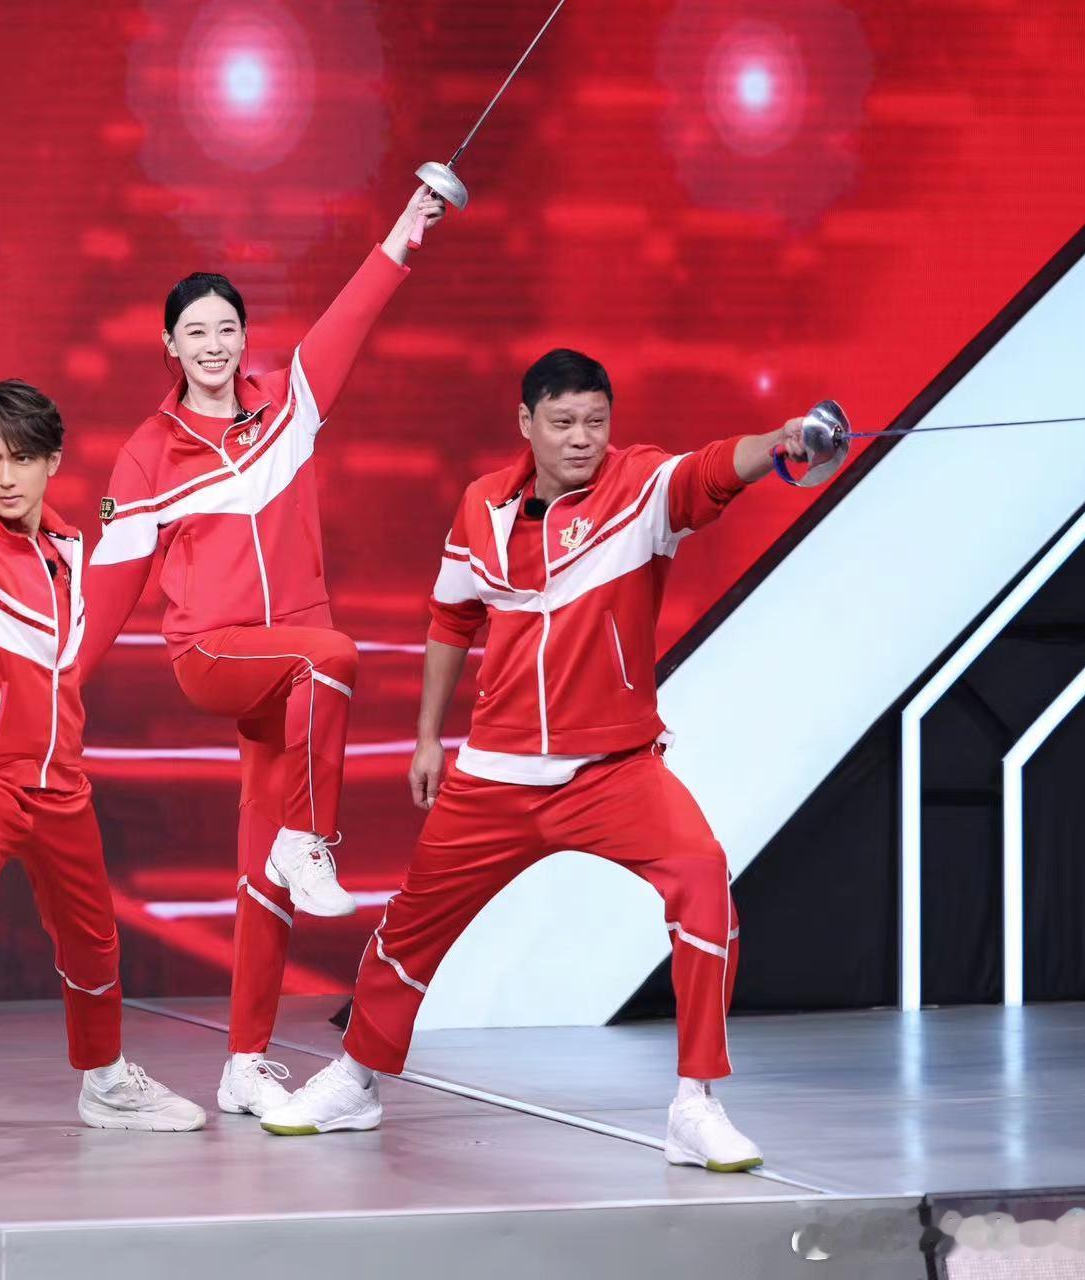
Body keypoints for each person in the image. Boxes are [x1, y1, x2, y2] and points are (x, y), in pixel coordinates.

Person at [259, 348, 814, 1173]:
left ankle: (695, 1104)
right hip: (497, 773)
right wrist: (426, 737)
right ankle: (355, 1079)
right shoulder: (480, 505)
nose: (581, 438)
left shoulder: (641, 488)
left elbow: (711, 469)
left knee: (703, 885)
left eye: (595, 421)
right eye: (562, 423)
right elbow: (452, 619)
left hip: (614, 771)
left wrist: (782, 440)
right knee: (410, 928)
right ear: (526, 424)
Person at [80, 187, 446, 1119]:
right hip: (214, 654)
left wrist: (404, 232)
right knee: (333, 655)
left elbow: (350, 317)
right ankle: (308, 839)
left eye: (226, 329)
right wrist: (61, 687)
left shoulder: (290, 405)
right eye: (194, 332)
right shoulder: (147, 454)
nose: (213, 344)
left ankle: (242, 1062)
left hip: (289, 678)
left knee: (260, 878)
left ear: (245, 339)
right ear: (169, 346)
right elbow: (112, 581)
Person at [0, 378, 204, 1185]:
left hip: (62, 786)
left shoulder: (67, 546)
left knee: (94, 943)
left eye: (22, 458)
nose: (5, 476)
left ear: (52, 462)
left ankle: (105, 1083)